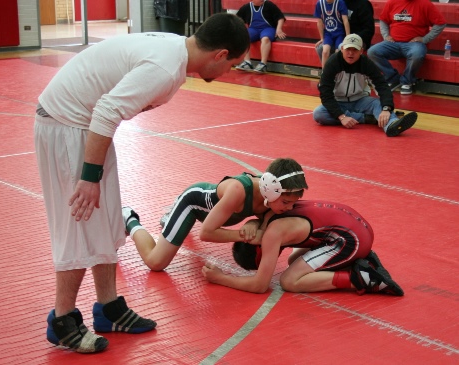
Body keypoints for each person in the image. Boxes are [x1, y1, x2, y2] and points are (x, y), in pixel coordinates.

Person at [34, 13, 250, 354]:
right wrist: (89, 178)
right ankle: (62, 320)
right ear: (220, 55)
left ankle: (109, 308)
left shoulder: (175, 53)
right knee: (79, 223)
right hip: (67, 126)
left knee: (106, 219)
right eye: (233, 64)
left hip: (85, 127)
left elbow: (111, 107)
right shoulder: (166, 68)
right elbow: (107, 111)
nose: (229, 73)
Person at [123, 158, 308, 271]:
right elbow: (206, 233)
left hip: (214, 215)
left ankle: (171, 221)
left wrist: (252, 224)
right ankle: (129, 219)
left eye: (293, 203)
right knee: (156, 263)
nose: (290, 208)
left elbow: (263, 228)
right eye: (286, 202)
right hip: (193, 204)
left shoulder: (273, 200)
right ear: (271, 189)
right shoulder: (239, 190)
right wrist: (244, 236)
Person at [202, 200, 404, 296]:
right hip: (359, 227)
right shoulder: (268, 213)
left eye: (263, 260)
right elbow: (255, 223)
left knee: (289, 281)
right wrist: (249, 224)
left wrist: (221, 278)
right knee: (293, 261)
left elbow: (260, 286)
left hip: (351, 240)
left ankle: (360, 278)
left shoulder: (272, 235)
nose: (271, 259)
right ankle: (361, 260)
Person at [313, 34, 418, 137]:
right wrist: (341, 117)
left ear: (361, 51)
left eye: (355, 50)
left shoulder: (367, 64)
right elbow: (325, 94)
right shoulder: (332, 63)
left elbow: (382, 86)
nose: (350, 53)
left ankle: (392, 124)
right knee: (319, 114)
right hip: (338, 102)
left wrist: (386, 108)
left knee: (378, 104)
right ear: (342, 49)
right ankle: (368, 118)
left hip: (361, 100)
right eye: (348, 49)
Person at [367, 0, 446, 95]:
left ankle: (407, 81)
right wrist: (386, 35)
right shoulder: (392, 2)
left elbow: (441, 23)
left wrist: (425, 39)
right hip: (393, 43)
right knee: (372, 52)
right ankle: (392, 78)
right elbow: (383, 20)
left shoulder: (425, 4)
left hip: (414, 44)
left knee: (417, 54)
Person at [235, 0, 286, 73]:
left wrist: (279, 29)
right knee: (244, 36)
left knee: (265, 39)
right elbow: (237, 19)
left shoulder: (269, 4)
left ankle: (263, 64)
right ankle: (247, 63)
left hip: (268, 28)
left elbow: (280, 17)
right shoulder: (246, 7)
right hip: (254, 29)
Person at [314, 0, 350, 69]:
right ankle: (324, 74)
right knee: (325, 52)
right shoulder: (320, 4)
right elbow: (319, 22)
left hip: (339, 33)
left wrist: (348, 37)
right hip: (328, 34)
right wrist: (322, 38)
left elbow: (345, 20)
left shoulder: (340, 2)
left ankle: (336, 73)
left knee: (337, 53)